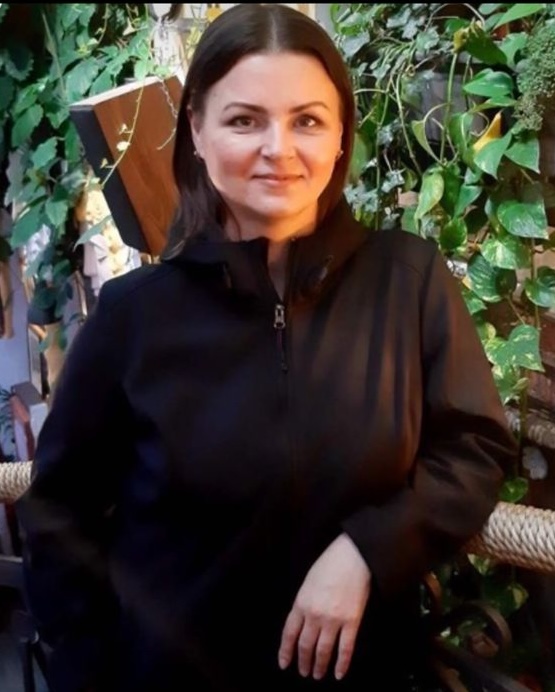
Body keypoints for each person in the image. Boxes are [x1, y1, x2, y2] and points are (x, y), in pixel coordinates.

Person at [16, 4, 518, 692]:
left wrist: (367, 549)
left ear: (340, 136)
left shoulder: (408, 281)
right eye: (244, 120)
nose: (278, 148)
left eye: (306, 120)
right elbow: (59, 513)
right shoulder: (135, 315)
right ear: (197, 131)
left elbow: (475, 447)